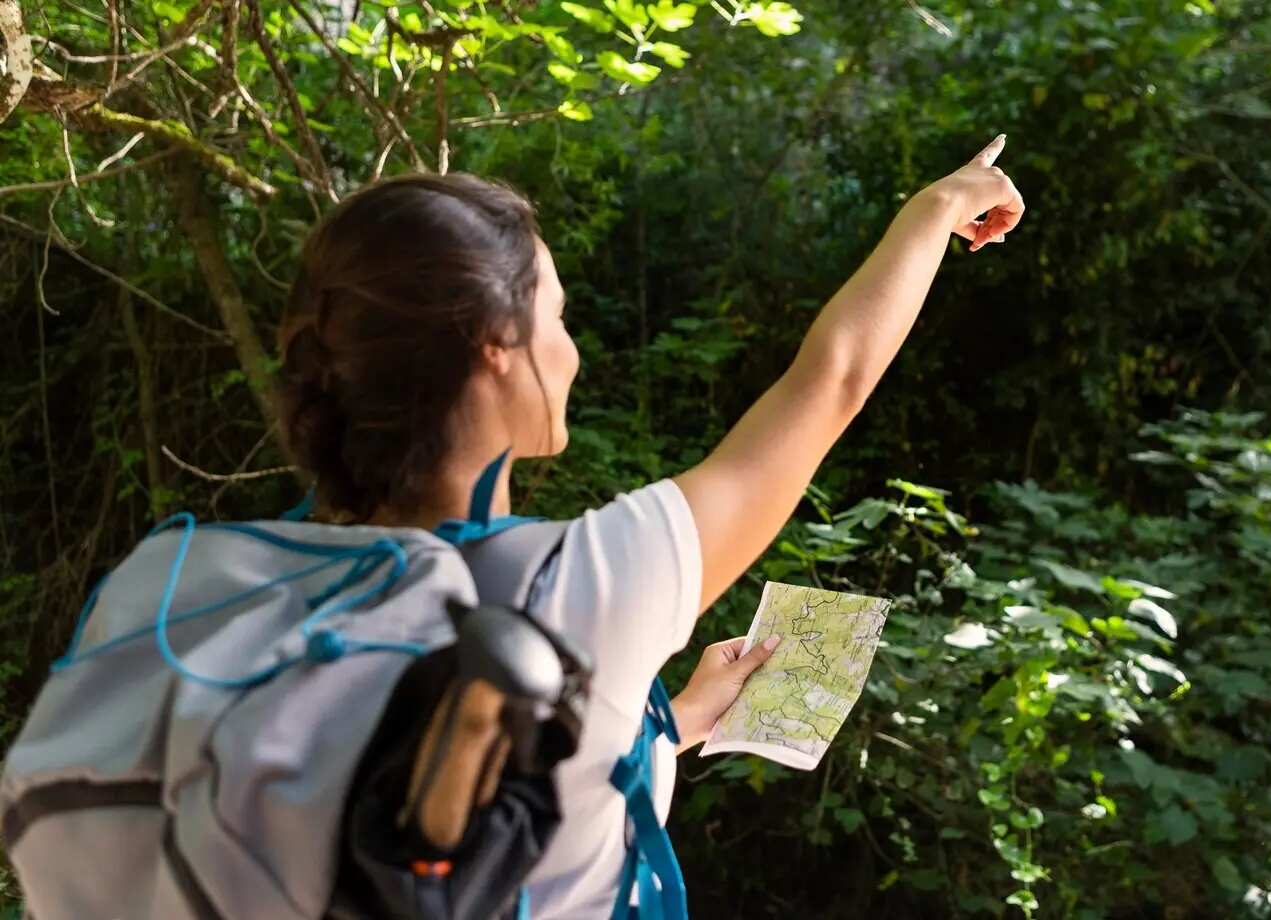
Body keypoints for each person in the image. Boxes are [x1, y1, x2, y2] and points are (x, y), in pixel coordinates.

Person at [275, 134, 1023, 919]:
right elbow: (834, 379)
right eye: (556, 317)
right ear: (495, 346)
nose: (570, 353)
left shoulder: (261, 587)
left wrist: (684, 717)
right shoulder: (580, 588)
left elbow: (505, 796)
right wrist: (937, 207)